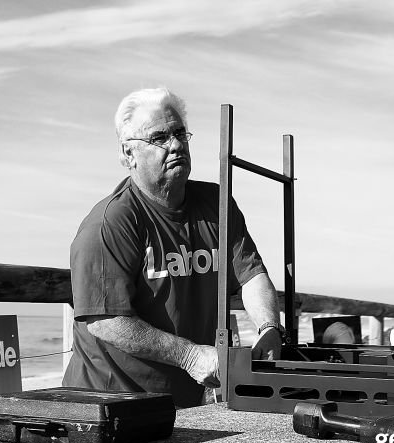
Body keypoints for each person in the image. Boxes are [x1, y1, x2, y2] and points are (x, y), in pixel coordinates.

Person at [63, 87, 284, 408]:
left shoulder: (217, 204)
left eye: (180, 133)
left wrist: (269, 328)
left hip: (181, 403)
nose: (176, 144)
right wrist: (191, 355)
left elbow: (251, 276)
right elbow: (104, 320)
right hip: (109, 402)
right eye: (159, 138)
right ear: (128, 155)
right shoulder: (110, 222)